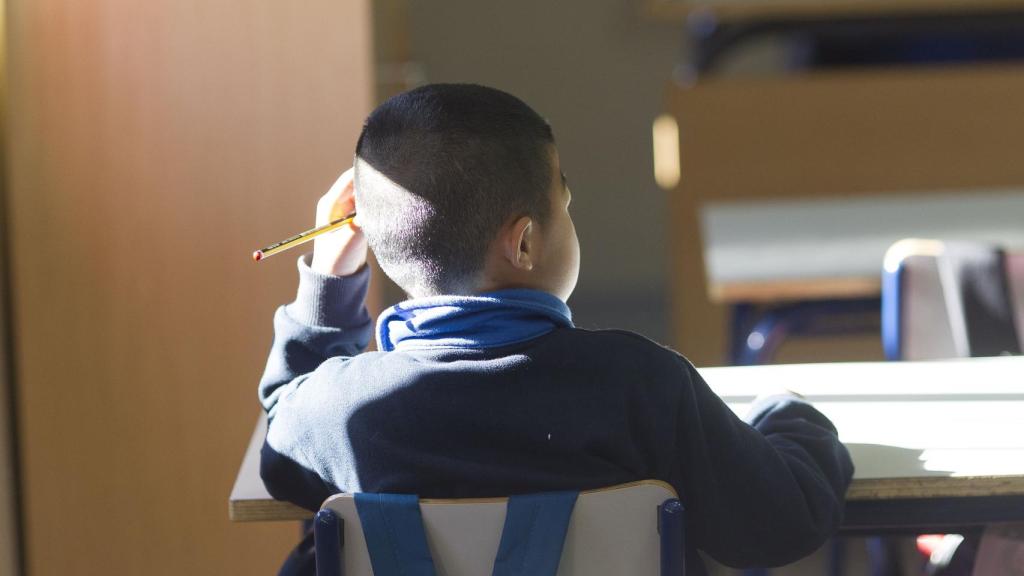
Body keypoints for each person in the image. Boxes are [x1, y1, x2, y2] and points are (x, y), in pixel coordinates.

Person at [258, 83, 854, 575]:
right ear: (524, 241)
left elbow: (281, 431)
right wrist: (791, 417)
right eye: (564, 201)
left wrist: (332, 281)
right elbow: (780, 523)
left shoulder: (338, 411)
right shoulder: (640, 383)